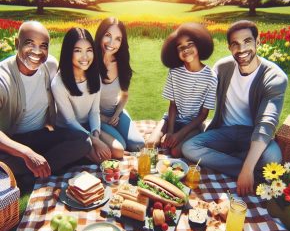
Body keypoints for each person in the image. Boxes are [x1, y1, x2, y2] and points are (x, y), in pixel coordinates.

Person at [182, 20, 288, 196]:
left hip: (252, 134)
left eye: (247, 41)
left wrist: (247, 168)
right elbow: (199, 97)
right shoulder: (222, 68)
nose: (241, 49)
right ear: (229, 47)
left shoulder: (275, 77)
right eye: (235, 44)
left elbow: (266, 124)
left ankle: (244, 164)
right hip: (225, 131)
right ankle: (248, 169)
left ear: (258, 42)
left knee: (272, 157)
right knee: (189, 147)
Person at [0, 21, 91, 187]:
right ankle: (41, 168)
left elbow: (72, 84)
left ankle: (31, 174)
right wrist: (26, 153)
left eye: (43, 45)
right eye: (30, 43)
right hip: (10, 145)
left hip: (40, 136)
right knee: (7, 163)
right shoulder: (2, 79)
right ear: (17, 43)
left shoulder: (50, 65)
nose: (37, 51)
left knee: (84, 141)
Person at [51, 28, 122, 163]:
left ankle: (86, 151)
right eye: (78, 50)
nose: (85, 57)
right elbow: (70, 121)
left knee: (118, 151)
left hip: (88, 126)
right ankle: (80, 153)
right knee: (102, 159)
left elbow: (95, 111)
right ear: (68, 52)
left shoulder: (94, 75)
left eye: (89, 50)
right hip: (69, 130)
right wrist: (95, 141)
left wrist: (95, 133)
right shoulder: (58, 83)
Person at [147, 22, 218, 157]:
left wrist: (179, 135)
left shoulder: (211, 77)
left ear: (199, 44)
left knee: (175, 151)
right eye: (180, 47)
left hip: (193, 125)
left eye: (190, 44)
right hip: (171, 120)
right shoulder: (174, 72)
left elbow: (203, 115)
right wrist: (171, 131)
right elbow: (172, 105)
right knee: (150, 144)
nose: (185, 49)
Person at [94, 17, 145, 153]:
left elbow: (124, 95)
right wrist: (104, 118)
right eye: (108, 36)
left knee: (138, 145)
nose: (112, 43)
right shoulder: (89, 62)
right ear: (100, 35)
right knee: (120, 146)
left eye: (118, 39)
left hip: (115, 112)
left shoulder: (121, 63)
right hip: (95, 116)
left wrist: (117, 113)